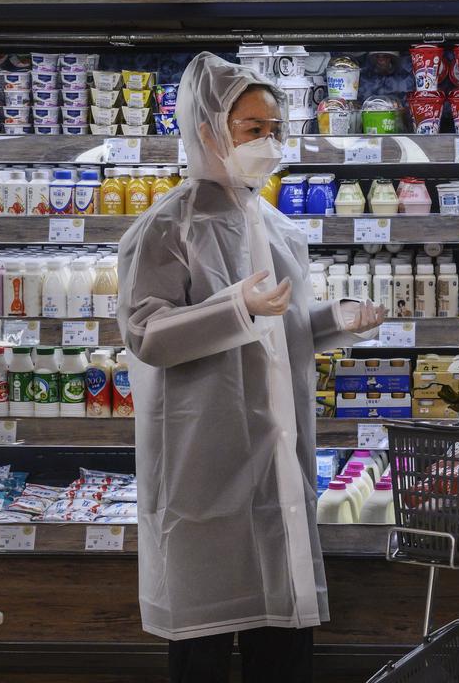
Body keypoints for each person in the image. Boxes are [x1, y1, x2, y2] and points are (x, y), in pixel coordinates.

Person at [116, 52, 385, 683]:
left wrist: (331, 321)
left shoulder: (280, 228)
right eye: (251, 129)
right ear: (207, 129)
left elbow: (279, 331)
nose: (268, 142)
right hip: (201, 460)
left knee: (282, 633)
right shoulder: (163, 228)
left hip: (276, 457)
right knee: (204, 639)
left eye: (274, 129)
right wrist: (235, 305)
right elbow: (146, 334)